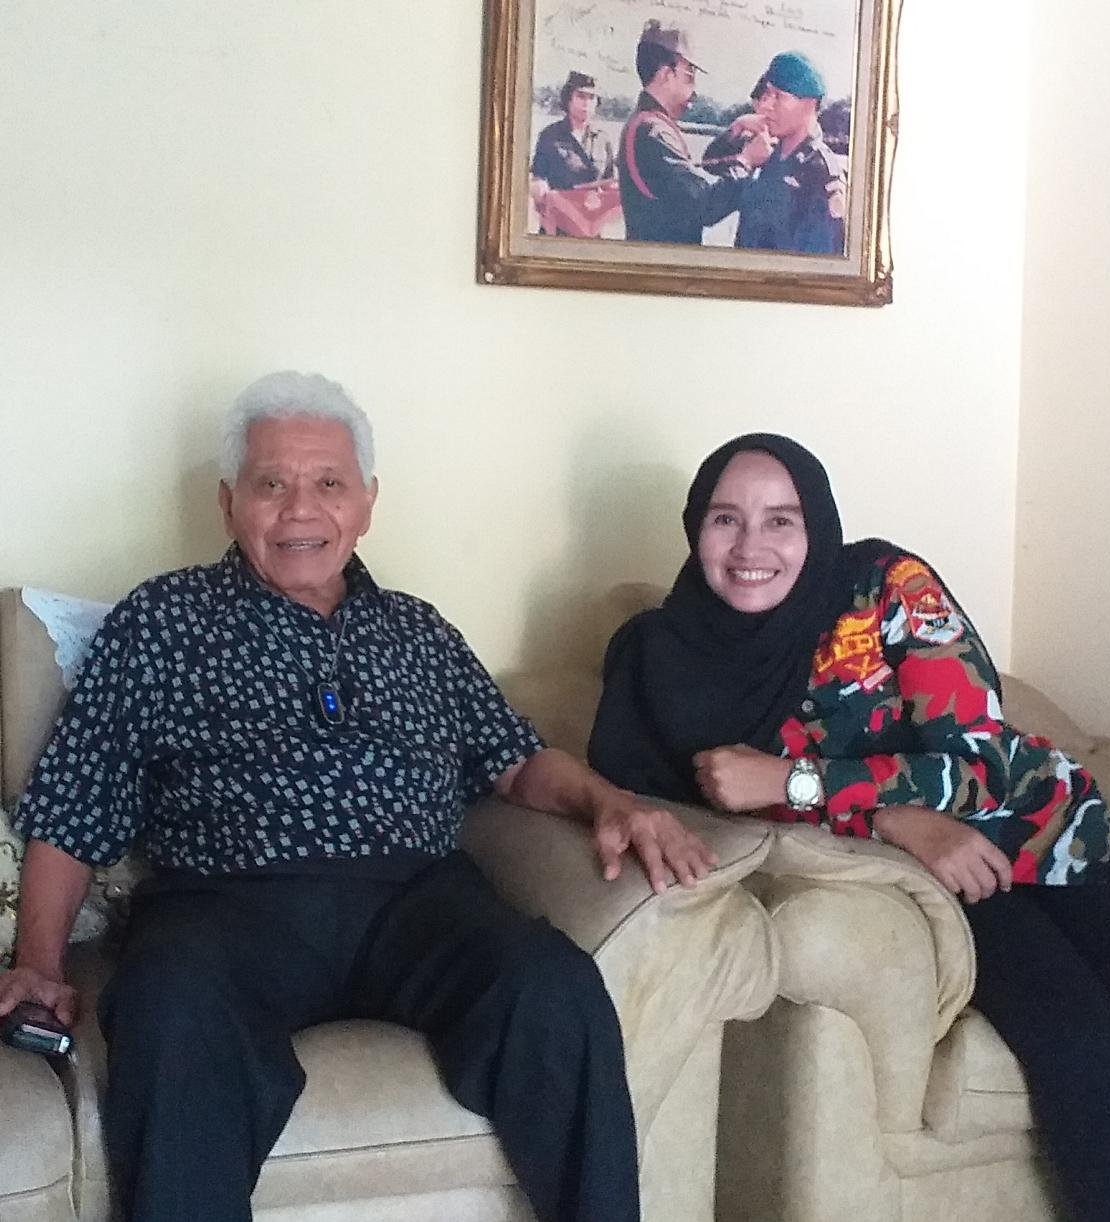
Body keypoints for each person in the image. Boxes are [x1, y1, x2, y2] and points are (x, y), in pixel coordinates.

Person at [0, 371, 716, 1222]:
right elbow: (75, 803)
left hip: (416, 902)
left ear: (367, 503)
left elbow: (516, 762)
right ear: (229, 503)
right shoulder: (162, 620)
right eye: (272, 484)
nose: (300, 509)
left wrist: (609, 802)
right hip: (227, 908)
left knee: (553, 989)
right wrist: (38, 963)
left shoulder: (419, 631)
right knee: (169, 1010)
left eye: (329, 484)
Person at [588, 433, 1110, 1222]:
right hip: (943, 880)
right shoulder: (666, 659)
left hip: (1050, 825)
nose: (751, 546)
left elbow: (984, 763)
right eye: (726, 519)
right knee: (1077, 1038)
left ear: (817, 526)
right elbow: (679, 797)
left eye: (781, 520)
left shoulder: (885, 588)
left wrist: (811, 785)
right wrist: (893, 820)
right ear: (695, 528)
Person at [618, 20, 773, 245]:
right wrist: (747, 161)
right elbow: (706, 206)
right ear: (666, 74)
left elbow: (708, 165)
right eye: (689, 76)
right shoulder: (653, 132)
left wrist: (734, 131)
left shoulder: (648, 124)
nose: (695, 92)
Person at [735, 53, 847, 255]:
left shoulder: (820, 173)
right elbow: (712, 163)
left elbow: (817, 261)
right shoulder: (767, 152)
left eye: (778, 96)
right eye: (767, 95)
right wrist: (736, 127)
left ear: (809, 103)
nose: (766, 105)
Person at [530, 71, 615, 198]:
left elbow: (610, 182)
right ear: (568, 99)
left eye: (592, 97)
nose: (586, 103)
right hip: (561, 207)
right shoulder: (550, 136)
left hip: (596, 208)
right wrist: (540, 190)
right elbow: (538, 178)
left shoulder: (603, 139)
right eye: (581, 96)